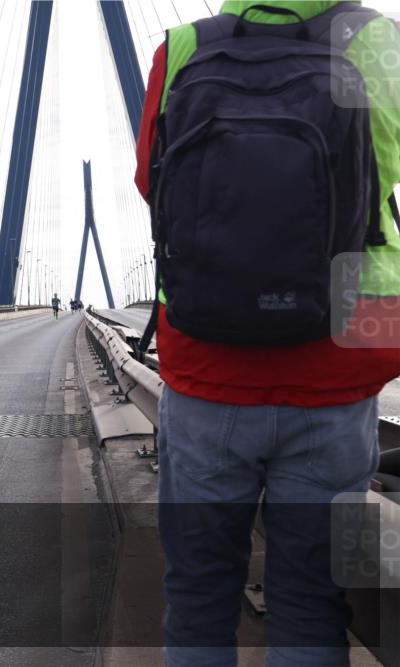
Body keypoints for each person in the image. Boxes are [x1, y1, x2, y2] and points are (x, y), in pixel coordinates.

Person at [135, 3, 400, 666]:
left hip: (206, 362)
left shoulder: (186, 45)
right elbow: (384, 169)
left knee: (197, 595)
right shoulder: (375, 40)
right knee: (311, 599)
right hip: (340, 364)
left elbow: (153, 180)